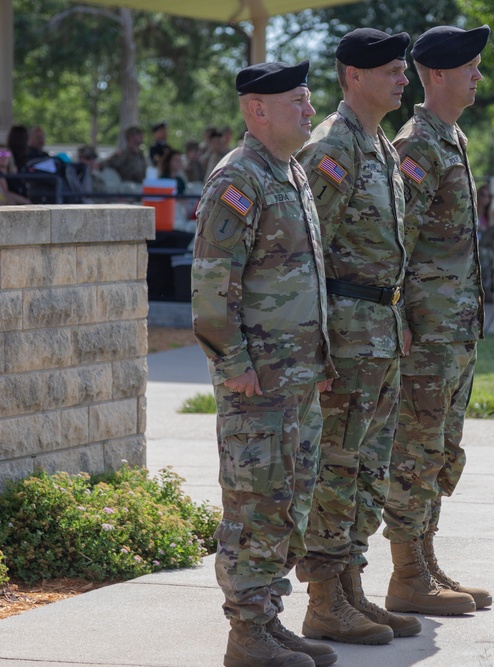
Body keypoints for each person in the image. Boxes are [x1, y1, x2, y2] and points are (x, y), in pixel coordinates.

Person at [190, 60, 338, 667]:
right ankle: (246, 636)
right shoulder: (239, 178)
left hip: (297, 381)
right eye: (299, 101)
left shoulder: (292, 172)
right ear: (258, 110)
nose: (310, 111)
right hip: (259, 385)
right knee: (255, 504)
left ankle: (269, 622)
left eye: (309, 101)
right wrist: (236, 368)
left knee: (290, 500)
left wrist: (320, 359)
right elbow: (208, 288)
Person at [293, 28, 419, 646]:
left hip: (382, 333)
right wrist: (317, 346)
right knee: (337, 469)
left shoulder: (381, 147)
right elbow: (309, 254)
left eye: (403, 70)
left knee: (370, 468)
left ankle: (352, 592)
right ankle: (322, 601)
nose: (404, 79)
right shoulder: (331, 149)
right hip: (345, 336)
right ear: (353, 77)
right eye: (393, 71)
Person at [383, 24, 493, 618]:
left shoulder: (452, 138)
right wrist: (399, 315)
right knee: (417, 450)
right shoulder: (417, 145)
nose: (478, 75)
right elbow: (397, 237)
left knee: (443, 448)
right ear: (438, 74)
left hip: (454, 329)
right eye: (470, 66)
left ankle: (425, 561)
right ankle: (406, 576)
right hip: (425, 331)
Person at [476, 184, 494, 302]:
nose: (485, 198)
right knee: (484, 254)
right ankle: (486, 290)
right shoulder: (474, 212)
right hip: (477, 247)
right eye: (482, 195)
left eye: (488, 196)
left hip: (486, 246)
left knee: (492, 255)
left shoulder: (489, 215)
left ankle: (491, 287)